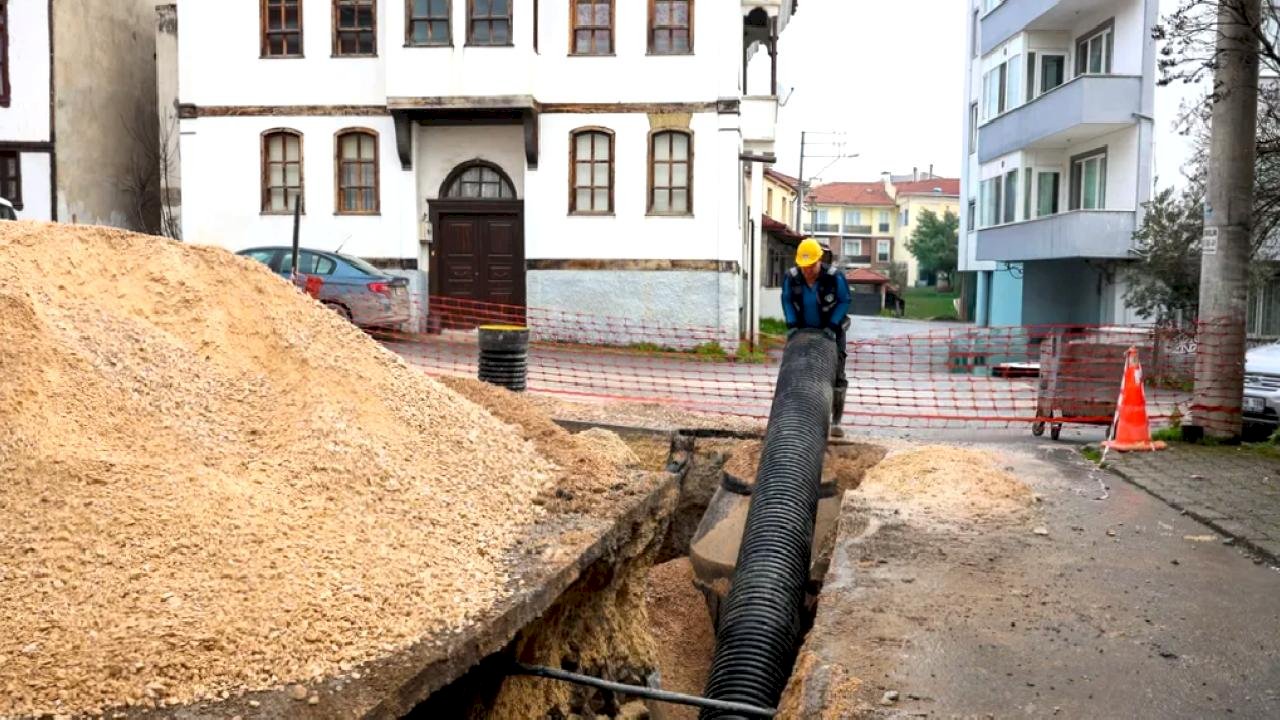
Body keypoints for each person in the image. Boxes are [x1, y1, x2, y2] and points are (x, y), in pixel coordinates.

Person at [781, 238, 852, 437]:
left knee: (837, 374)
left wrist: (832, 325)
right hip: (802, 332)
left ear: (819, 260)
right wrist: (792, 324)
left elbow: (845, 300)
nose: (807, 270)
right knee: (797, 371)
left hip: (831, 330)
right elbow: (786, 300)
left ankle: (836, 421)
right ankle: (798, 417)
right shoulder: (792, 277)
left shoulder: (834, 277)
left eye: (811, 265)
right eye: (804, 266)